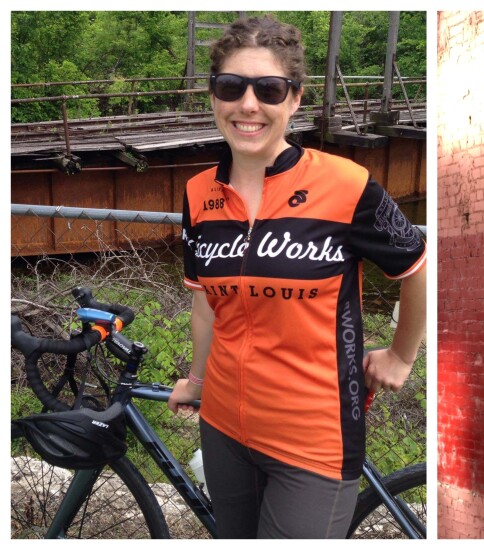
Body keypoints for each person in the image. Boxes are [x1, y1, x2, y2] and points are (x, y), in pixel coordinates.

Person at [167, 15, 427, 538]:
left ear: (295, 99)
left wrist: (402, 354)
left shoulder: (347, 187)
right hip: (222, 426)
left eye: (268, 89)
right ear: (213, 95)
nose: (248, 104)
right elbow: (204, 304)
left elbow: (417, 266)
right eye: (230, 86)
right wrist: (196, 382)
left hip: (313, 437)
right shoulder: (199, 194)